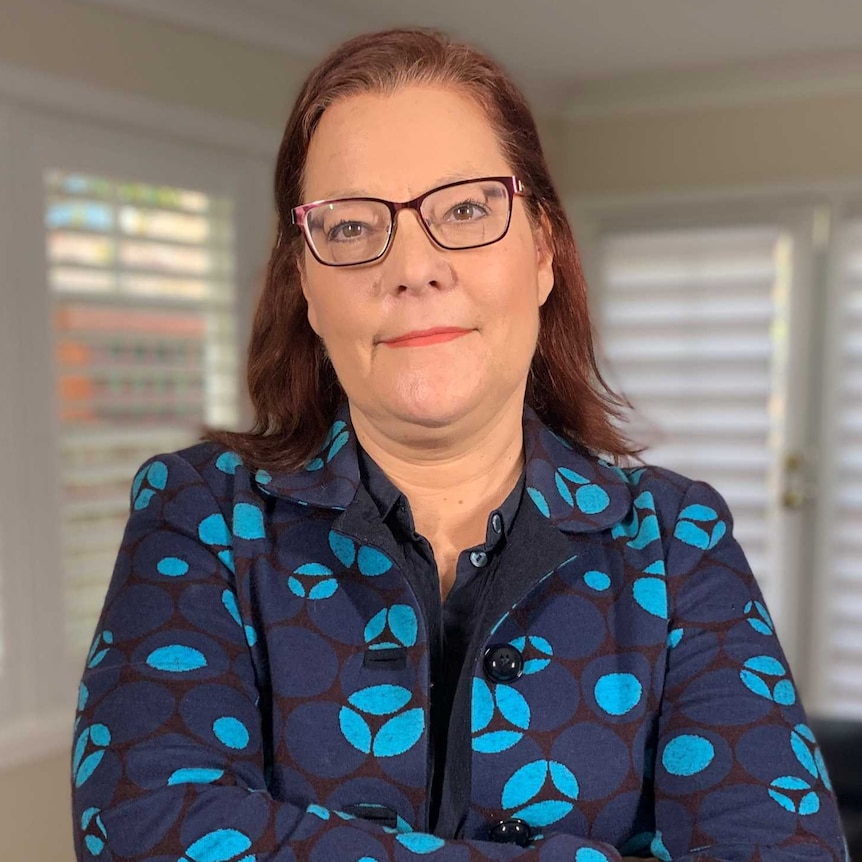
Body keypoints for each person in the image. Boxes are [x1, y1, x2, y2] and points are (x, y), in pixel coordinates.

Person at [71, 27, 847, 862]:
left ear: (543, 253)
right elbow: (141, 832)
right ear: (306, 284)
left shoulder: (676, 538)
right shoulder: (200, 512)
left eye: (467, 209)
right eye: (352, 224)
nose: (414, 267)